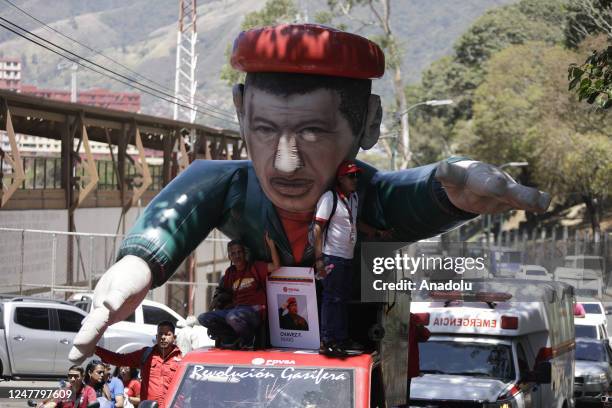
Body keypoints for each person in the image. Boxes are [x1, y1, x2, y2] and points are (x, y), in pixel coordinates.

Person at [69, 23, 551, 364]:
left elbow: (409, 195)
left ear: (368, 124)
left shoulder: (363, 196)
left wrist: (452, 196)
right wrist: (129, 274)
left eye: (313, 133)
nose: (285, 162)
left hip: (351, 360)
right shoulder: (225, 186)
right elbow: (174, 217)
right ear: (241, 114)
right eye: (264, 129)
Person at [313, 160, 363, 355]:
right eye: (351, 176)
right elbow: (317, 228)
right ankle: (327, 340)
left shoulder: (354, 198)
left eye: (356, 176)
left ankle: (341, 339)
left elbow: (355, 223)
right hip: (331, 257)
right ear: (341, 179)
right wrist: (319, 260)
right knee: (331, 299)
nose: (355, 180)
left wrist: (377, 233)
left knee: (341, 299)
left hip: (347, 258)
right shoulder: (330, 198)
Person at [198, 234, 280, 349]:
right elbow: (223, 291)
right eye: (233, 253)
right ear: (229, 256)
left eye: (239, 252)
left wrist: (271, 245)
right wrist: (217, 300)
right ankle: (231, 338)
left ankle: (248, 340)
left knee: (232, 317)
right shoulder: (230, 273)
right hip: (236, 311)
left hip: (254, 311)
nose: (237, 256)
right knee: (203, 318)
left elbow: (276, 266)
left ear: (244, 253)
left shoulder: (254, 267)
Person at [94, 321, 182, 408]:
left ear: (174, 337)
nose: (163, 337)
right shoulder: (146, 354)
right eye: (160, 334)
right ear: (156, 337)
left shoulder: (182, 359)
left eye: (167, 334)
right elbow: (120, 359)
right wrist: (96, 350)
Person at [406, 313, 431, 402]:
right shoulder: (387, 315)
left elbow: (426, 336)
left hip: (407, 369)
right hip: (390, 365)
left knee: (404, 399)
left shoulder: (412, 318)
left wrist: (418, 325)